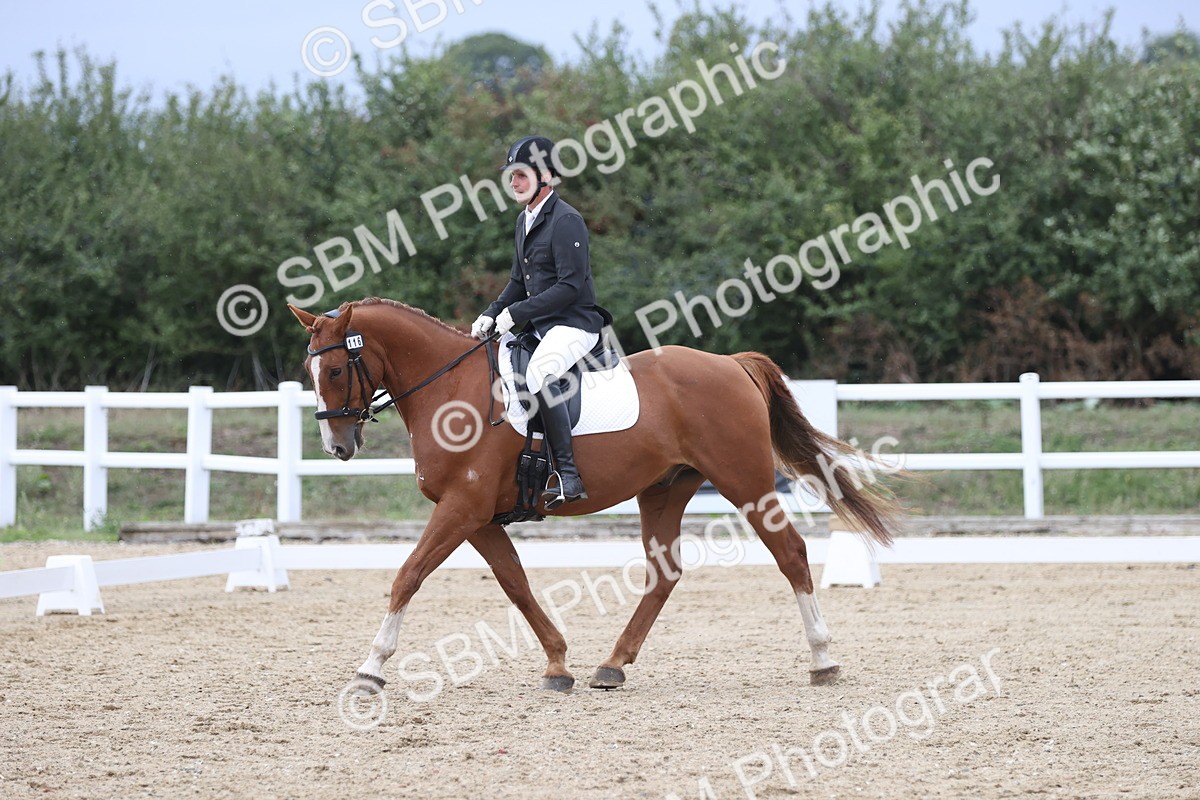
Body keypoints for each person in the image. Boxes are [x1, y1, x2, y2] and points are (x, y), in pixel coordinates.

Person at [471, 135, 609, 509]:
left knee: (540, 374)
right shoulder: (525, 220)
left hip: (574, 323)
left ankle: (568, 474)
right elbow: (519, 281)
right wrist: (491, 311)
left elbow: (570, 286)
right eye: (511, 176)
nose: (513, 183)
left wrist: (515, 314)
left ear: (545, 175)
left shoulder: (566, 221)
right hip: (542, 325)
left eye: (520, 175)